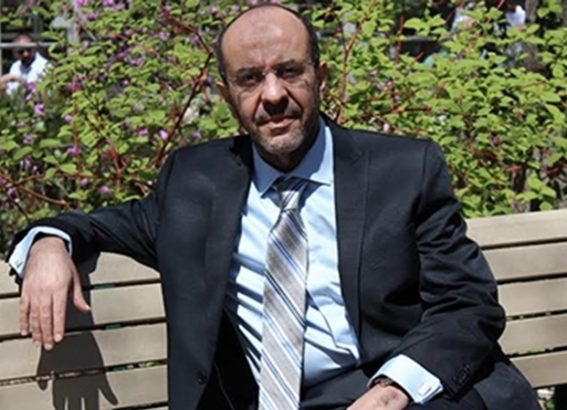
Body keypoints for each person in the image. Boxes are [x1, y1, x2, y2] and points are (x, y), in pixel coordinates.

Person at [7, 4, 539, 410]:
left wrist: (391, 391)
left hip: (396, 391)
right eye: (250, 78)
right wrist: (51, 243)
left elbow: (467, 303)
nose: (273, 94)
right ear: (227, 96)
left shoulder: (404, 171)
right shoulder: (194, 183)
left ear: (319, 77)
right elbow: (97, 225)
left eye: (289, 71)